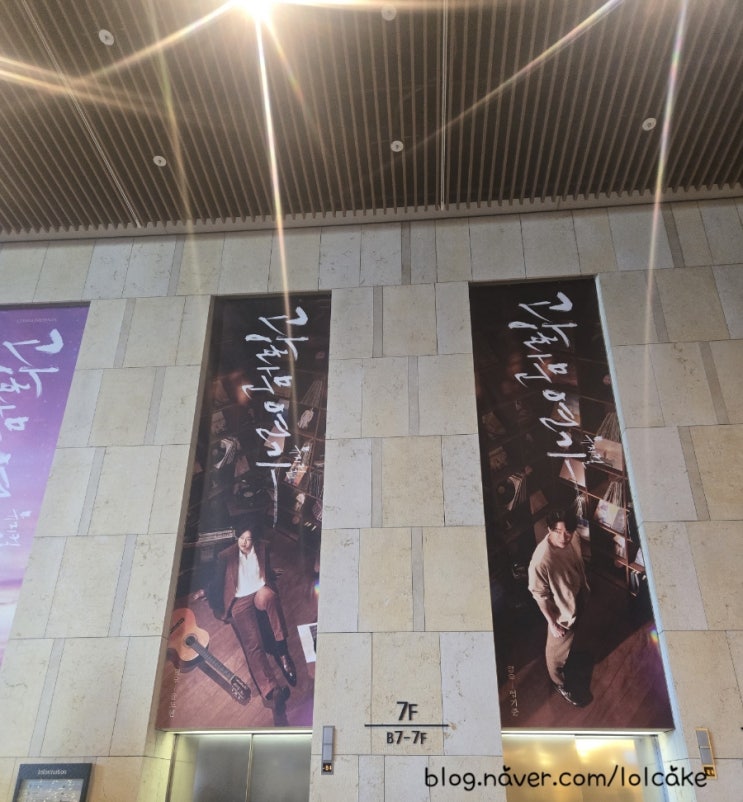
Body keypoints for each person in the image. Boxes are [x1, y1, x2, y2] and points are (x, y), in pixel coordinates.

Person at [209, 522, 297, 718]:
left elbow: (264, 570)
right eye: (241, 538)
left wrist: (271, 574)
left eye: (248, 539)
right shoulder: (225, 556)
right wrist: (217, 607)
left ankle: (283, 653)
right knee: (253, 644)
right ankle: (272, 691)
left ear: (254, 540)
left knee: (270, 597)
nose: (244, 543)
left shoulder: (263, 547)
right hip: (239, 601)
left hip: (259, 592)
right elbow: (216, 584)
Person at [528, 509, 590, 707]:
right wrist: (553, 623)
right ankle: (559, 683)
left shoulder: (574, 538)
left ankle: (571, 659)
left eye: (568, 531)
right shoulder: (541, 560)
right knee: (555, 653)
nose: (564, 537)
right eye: (558, 531)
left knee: (573, 638)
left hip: (577, 597)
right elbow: (539, 595)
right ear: (549, 529)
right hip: (561, 612)